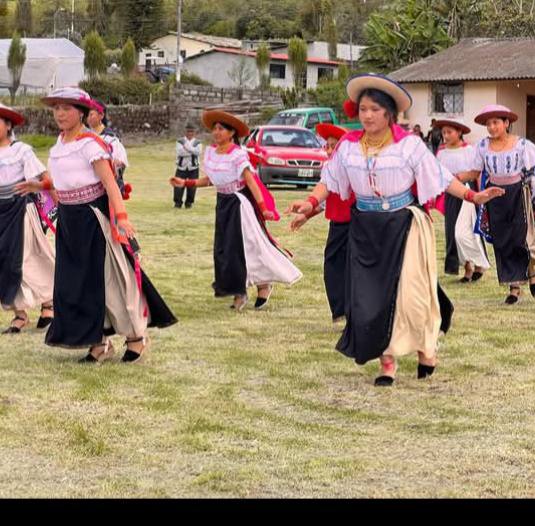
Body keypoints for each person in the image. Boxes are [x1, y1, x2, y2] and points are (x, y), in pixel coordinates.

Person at [288, 73, 504, 386]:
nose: (367, 115)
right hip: (365, 229)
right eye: (363, 109)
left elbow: (441, 176)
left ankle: (426, 348)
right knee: (369, 300)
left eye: (375, 109)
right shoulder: (348, 147)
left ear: (389, 113)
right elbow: (330, 180)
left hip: (404, 226)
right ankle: (387, 362)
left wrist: (474, 196)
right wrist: (310, 202)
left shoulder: (409, 146)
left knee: (412, 297)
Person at [36, 87, 177, 363]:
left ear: (81, 113)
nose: (60, 114)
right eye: (56, 108)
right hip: (69, 222)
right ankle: (98, 342)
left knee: (109, 280)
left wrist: (122, 218)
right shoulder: (59, 144)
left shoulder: (91, 144)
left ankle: (136, 337)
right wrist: (39, 186)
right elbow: (65, 182)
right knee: (76, 283)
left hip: (94, 220)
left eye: (67, 108)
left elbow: (110, 184)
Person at [170, 110, 302, 311]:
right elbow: (211, 180)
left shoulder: (238, 154)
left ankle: (260, 285)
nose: (216, 132)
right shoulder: (212, 153)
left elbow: (250, 181)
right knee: (224, 249)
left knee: (246, 247)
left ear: (231, 133)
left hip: (239, 205)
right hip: (223, 203)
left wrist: (263, 208)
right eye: (214, 128)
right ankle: (239, 290)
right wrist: (186, 182)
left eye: (221, 129)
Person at [461, 104, 535, 304]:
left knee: (520, 238)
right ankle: (514, 288)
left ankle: (531, 271)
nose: (491, 127)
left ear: (506, 123)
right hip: (494, 196)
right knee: (503, 241)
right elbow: (474, 172)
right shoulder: (482, 146)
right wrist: (452, 178)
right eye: (488, 124)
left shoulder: (521, 144)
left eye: (495, 122)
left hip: (518, 194)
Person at [0, 103, 55, 334]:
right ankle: (20, 314)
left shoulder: (21, 150)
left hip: (21, 210)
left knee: (28, 259)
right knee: (4, 263)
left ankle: (48, 305)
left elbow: (46, 179)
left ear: (8, 125)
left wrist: (58, 203)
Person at [290, 123, 353, 324]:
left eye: (334, 146)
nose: (329, 150)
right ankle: (340, 311)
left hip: (358, 223)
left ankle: (354, 312)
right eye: (327, 146)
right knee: (332, 266)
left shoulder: (354, 167)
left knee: (354, 268)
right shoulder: (329, 169)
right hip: (338, 224)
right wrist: (306, 214)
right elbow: (324, 196)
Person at [433, 118, 490, 282]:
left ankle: (479, 264)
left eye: (449, 132)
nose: (445, 135)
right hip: (451, 194)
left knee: (469, 229)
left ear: (459, 132)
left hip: (468, 192)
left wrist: (480, 194)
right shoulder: (441, 153)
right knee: (452, 231)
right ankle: (467, 268)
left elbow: (476, 172)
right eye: (444, 132)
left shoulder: (469, 150)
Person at [86, 99, 130, 199]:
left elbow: (120, 163)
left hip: (107, 188)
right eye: (87, 115)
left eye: (91, 114)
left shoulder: (110, 138)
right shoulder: (85, 136)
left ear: (101, 115)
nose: (88, 118)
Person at [174, 124, 202, 209]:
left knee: (192, 186)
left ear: (194, 132)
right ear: (185, 132)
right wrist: (192, 151)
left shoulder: (198, 142)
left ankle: (189, 203)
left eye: (191, 131)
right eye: (188, 131)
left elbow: (198, 152)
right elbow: (180, 152)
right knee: (178, 185)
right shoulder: (180, 141)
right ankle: (178, 203)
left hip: (193, 168)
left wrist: (187, 148)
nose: (190, 133)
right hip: (181, 167)